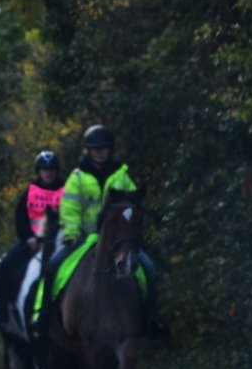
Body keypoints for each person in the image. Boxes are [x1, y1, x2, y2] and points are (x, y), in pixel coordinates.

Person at [44, 124, 166, 338]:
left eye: (104, 148)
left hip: (117, 240)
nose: (100, 152)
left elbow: (132, 207)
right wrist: (71, 232)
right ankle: (45, 316)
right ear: (88, 150)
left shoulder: (122, 176)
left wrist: (132, 234)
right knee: (53, 265)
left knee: (149, 268)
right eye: (95, 148)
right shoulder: (78, 178)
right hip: (82, 238)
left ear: (110, 150)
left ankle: (151, 319)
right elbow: (70, 209)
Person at [0, 150, 64, 328]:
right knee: (4, 266)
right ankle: (1, 311)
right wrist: (29, 237)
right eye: (44, 169)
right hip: (32, 242)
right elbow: (20, 219)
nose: (48, 173)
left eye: (52, 169)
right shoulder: (29, 192)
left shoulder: (66, 191)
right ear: (39, 171)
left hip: (60, 241)